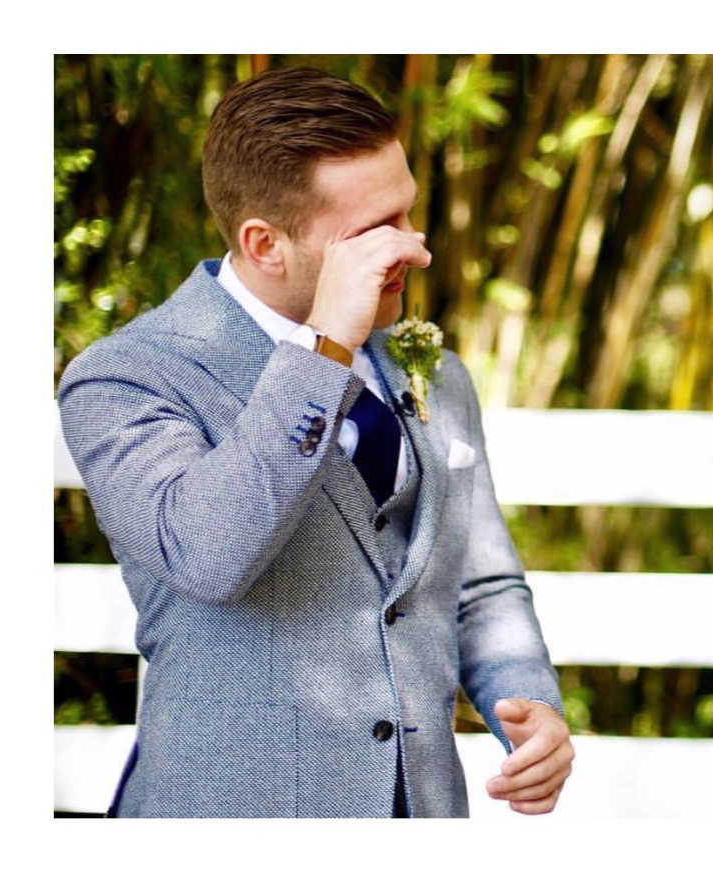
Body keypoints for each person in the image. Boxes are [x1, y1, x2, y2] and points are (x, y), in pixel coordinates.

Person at [57, 67, 573, 818]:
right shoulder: (127, 377)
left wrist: (530, 702)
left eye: (408, 214)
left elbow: (479, 580)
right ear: (265, 244)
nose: (416, 249)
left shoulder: (436, 369)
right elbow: (207, 554)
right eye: (373, 233)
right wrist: (324, 348)